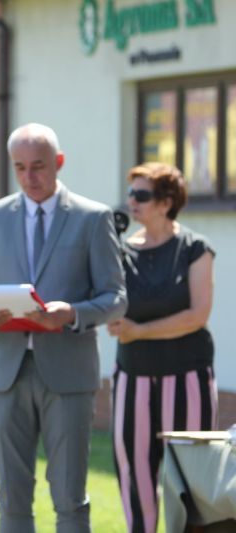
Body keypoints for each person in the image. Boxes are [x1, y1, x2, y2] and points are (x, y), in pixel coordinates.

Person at [0, 123, 127, 533]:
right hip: (6, 369)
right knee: (12, 496)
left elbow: (116, 297)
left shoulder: (93, 218)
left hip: (68, 372)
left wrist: (71, 312)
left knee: (70, 497)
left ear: (58, 163)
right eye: (20, 168)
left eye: (38, 166)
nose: (29, 178)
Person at [107, 163, 217, 533]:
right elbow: (107, 301)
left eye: (142, 195)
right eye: (131, 194)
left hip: (187, 377)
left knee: (189, 476)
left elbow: (197, 315)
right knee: (133, 470)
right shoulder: (119, 252)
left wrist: (140, 330)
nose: (132, 202)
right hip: (132, 377)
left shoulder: (195, 249)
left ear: (167, 203)